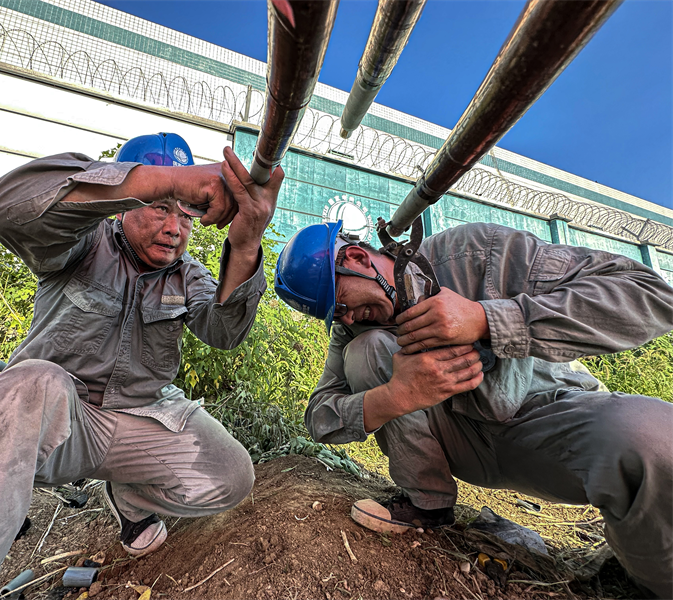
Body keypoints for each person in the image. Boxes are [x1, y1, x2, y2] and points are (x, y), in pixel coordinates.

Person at [0, 133, 283, 600]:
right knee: (34, 382)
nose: (174, 228)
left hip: (137, 420)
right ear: (127, 202)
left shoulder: (186, 275)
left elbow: (223, 332)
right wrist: (171, 180)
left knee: (230, 474)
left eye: (186, 214)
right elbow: (2, 206)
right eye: (160, 207)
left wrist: (245, 245)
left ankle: (130, 498)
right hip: (55, 423)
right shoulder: (81, 241)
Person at [274, 219, 673, 598]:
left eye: (340, 302)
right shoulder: (352, 329)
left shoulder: (474, 253)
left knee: (651, 439)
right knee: (368, 349)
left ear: (357, 258)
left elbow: (650, 296)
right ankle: (427, 506)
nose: (345, 317)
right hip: (466, 445)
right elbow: (319, 417)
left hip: (551, 425)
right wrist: (397, 395)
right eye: (333, 315)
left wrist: (487, 320)